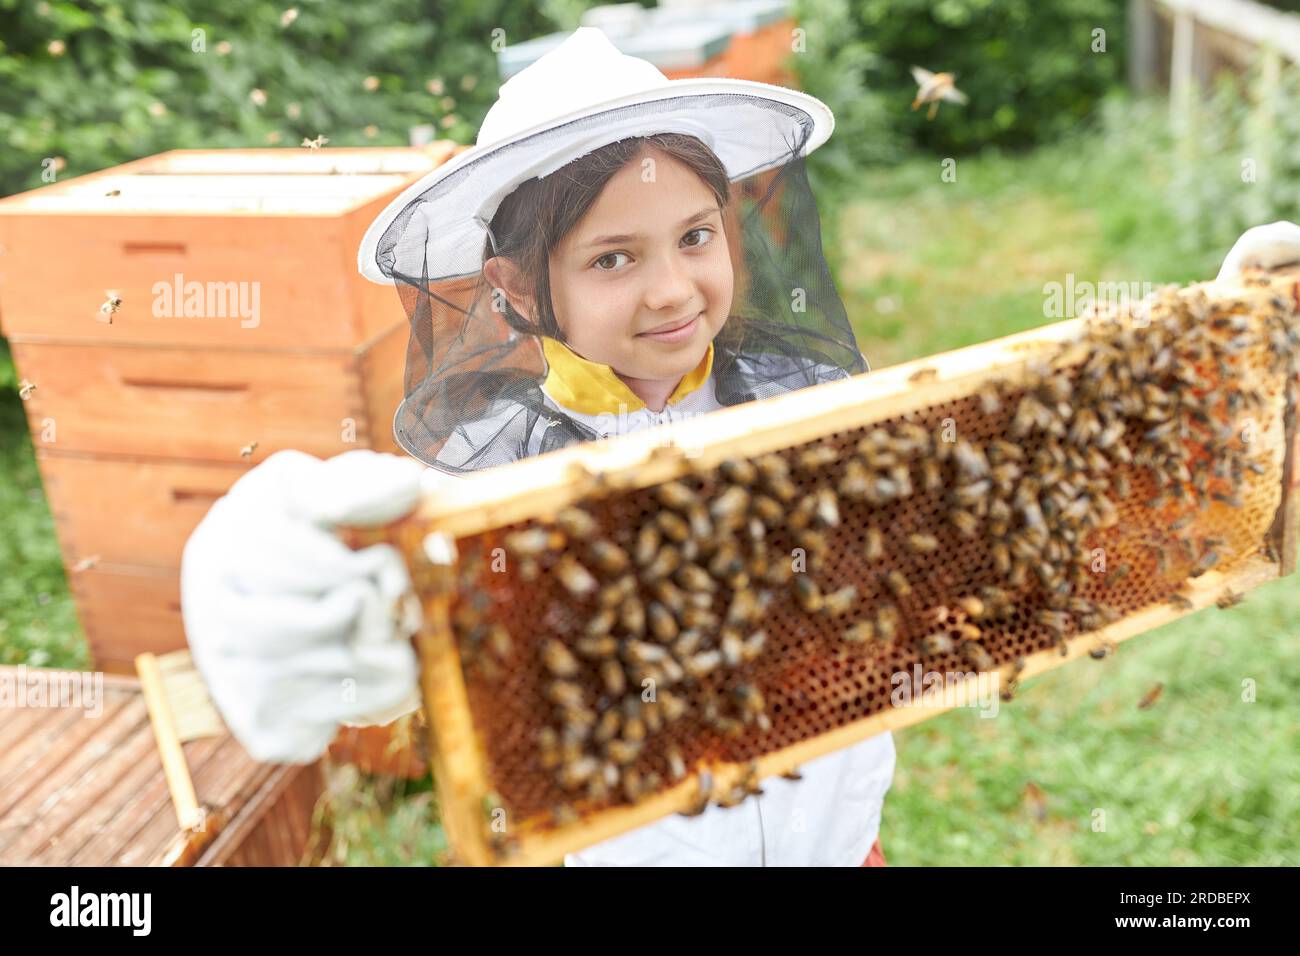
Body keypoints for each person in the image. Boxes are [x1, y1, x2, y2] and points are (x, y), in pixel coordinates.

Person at [180, 27, 1300, 867]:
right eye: (612, 258)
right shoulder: (480, 488)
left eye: (695, 236)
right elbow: (387, 626)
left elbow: (1008, 528)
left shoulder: (814, 413)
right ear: (523, 290)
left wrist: (1210, 384)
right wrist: (284, 579)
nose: (673, 290)